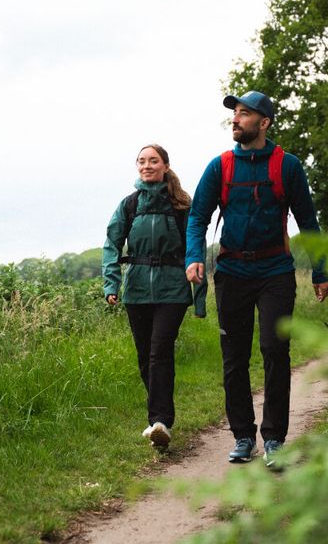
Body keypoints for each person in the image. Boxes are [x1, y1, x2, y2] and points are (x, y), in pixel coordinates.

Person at [185, 90, 328, 467]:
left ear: (263, 123)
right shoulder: (220, 167)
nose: (235, 120)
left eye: (244, 114)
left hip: (275, 273)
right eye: (234, 114)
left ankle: (274, 439)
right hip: (231, 272)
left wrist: (319, 269)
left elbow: (308, 222)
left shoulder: (288, 166)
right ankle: (243, 436)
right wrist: (194, 258)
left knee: (275, 352)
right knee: (234, 358)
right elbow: (197, 217)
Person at [103, 144, 207, 449]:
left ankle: (160, 421)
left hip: (172, 289)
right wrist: (111, 285)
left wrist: (199, 298)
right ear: (137, 166)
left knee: (159, 351)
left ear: (165, 165)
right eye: (142, 161)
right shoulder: (129, 205)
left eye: (153, 161)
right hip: (135, 290)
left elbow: (195, 252)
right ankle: (159, 421)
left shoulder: (181, 207)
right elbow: (111, 245)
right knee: (144, 356)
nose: (147, 166)